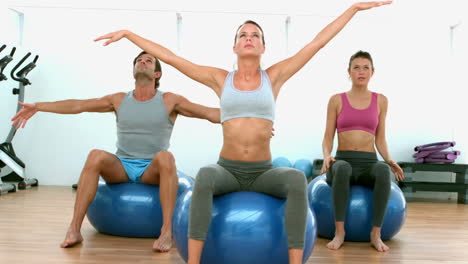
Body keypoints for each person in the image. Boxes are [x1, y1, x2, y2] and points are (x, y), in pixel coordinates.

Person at [94, 1, 392, 263]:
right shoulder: (219, 78)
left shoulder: (273, 76)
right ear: (234, 46)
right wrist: (130, 34)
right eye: (243, 35)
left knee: (295, 179)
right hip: (229, 169)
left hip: (263, 171)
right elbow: (171, 58)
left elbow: (317, 43)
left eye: (255, 36)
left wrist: (352, 9)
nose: (249, 39)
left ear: (263, 47)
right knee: (206, 175)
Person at [11, 51, 220, 252]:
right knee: (95, 155)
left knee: (166, 157)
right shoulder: (119, 99)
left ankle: (166, 232)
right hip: (122, 166)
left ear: (157, 74)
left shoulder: (170, 100)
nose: (143, 62)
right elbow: (79, 105)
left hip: (152, 169)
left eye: (149, 60)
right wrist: (39, 106)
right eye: (139, 60)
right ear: (133, 70)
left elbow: (208, 113)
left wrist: (245, 113)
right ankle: (74, 229)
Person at [320, 50, 404, 252]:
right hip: (343, 161)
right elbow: (328, 136)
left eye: (366, 67)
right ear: (348, 72)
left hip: (368, 162)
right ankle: (340, 232)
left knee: (383, 170)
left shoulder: (381, 100)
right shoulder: (336, 100)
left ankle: (375, 233)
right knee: (342, 168)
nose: (361, 71)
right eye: (356, 67)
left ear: (372, 72)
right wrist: (326, 156)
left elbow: (380, 138)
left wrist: (389, 160)